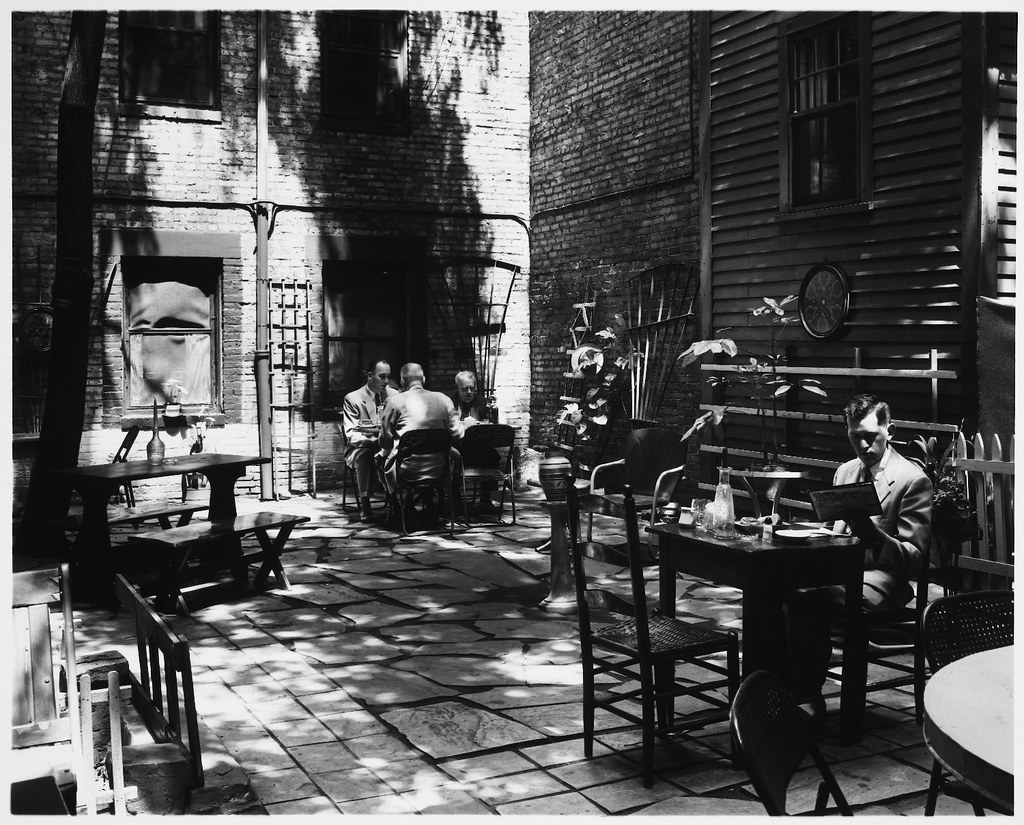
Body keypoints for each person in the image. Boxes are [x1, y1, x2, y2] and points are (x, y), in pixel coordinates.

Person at [782, 394, 932, 723]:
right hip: (837, 573)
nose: (863, 445)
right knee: (772, 592)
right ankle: (777, 693)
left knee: (807, 605)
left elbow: (916, 559)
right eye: (854, 436)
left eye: (870, 436)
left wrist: (875, 537)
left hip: (881, 580)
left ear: (889, 430)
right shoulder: (845, 471)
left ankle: (808, 698)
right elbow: (827, 530)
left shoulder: (912, 480)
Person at [378, 363, 464, 518]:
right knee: (452, 455)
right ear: (423, 379)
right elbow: (458, 434)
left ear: (402, 382)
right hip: (439, 469)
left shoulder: (394, 402)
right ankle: (432, 503)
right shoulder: (443, 400)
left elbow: (385, 441)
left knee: (380, 458)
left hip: (406, 470)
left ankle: (397, 507)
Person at [342, 359, 399, 522]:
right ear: (369, 376)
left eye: (388, 377)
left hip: (389, 444)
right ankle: (365, 505)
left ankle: (398, 501)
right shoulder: (353, 399)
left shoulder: (394, 396)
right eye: (382, 377)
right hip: (362, 447)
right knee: (365, 456)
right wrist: (376, 442)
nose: (386, 381)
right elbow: (352, 434)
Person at [451, 370, 500, 513]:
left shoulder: (483, 403)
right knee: (449, 457)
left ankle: (486, 499)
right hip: (458, 446)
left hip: (478, 446)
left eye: (472, 388)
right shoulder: (450, 402)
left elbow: (492, 426)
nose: (469, 392)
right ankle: (456, 500)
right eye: (464, 389)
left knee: (492, 455)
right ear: (457, 388)